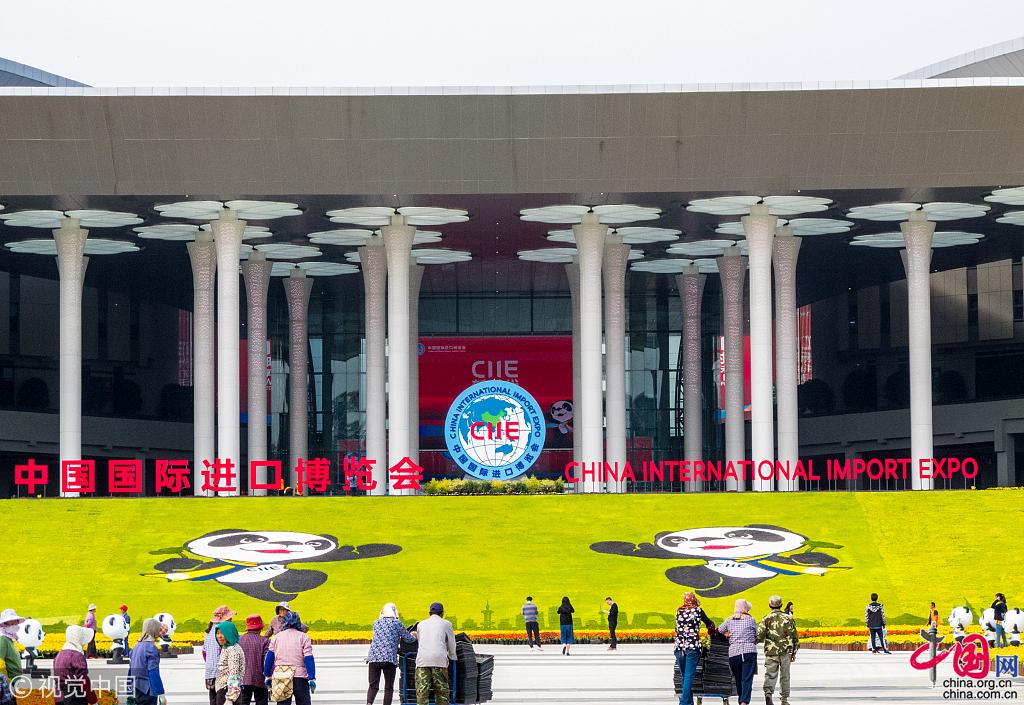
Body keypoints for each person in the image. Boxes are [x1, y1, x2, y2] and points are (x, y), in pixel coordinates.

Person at [366, 603, 416, 705]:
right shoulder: (397, 623)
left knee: (373, 685)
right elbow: (408, 639)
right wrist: (415, 635)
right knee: (388, 687)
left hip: (373, 658)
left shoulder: (376, 623)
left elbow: (382, 640)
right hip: (389, 659)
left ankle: (369, 703)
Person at [264, 611, 315, 705]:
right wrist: (311, 677)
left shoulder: (276, 637)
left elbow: (269, 658)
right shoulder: (304, 637)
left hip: (281, 676)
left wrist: (267, 675)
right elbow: (308, 658)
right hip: (300, 677)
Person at [675, 592, 716, 705]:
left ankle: (688, 703)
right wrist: (712, 632)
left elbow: (676, 629)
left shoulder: (679, 611)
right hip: (692, 648)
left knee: (684, 676)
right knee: (688, 676)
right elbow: (710, 624)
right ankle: (684, 703)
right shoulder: (698, 610)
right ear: (693, 599)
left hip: (679, 648)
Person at [757, 596, 799, 705]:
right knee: (785, 676)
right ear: (781, 605)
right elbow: (795, 636)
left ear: (769, 605)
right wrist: (794, 652)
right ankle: (784, 699)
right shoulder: (788, 618)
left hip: (771, 652)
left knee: (770, 674)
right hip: (786, 651)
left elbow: (759, 636)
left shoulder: (766, 618)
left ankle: (768, 694)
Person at [411, 603, 456, 705]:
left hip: (422, 660)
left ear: (429, 613)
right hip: (439, 660)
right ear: (442, 613)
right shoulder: (446, 624)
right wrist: (452, 656)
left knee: (422, 691)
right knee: (441, 692)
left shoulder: (421, 624)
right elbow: (452, 643)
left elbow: (420, 641)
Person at [719, 598, 758, 705]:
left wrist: (727, 636)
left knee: (738, 678)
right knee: (747, 678)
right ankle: (744, 701)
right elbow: (756, 634)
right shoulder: (751, 620)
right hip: (749, 652)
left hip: (734, 653)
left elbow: (719, 630)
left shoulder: (729, 620)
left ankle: (741, 700)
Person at [128, 618, 167, 705]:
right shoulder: (151, 648)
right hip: (148, 690)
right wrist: (160, 693)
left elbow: (130, 670)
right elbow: (153, 672)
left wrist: (128, 690)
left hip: (136, 688)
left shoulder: (136, 646)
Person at [53, 625, 95, 705]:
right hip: (75, 698)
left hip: (60, 698)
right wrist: (93, 700)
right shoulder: (77, 656)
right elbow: (83, 680)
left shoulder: (59, 655)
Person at [204, 605, 236, 705]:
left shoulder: (208, 632)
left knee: (213, 699)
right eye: (230, 618)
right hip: (222, 673)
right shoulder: (223, 631)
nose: (231, 620)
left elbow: (204, 653)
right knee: (222, 700)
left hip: (210, 672)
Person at [239, 615, 270, 705]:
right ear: (260, 627)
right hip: (260, 679)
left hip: (243, 679)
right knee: (261, 701)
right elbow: (266, 661)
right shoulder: (265, 641)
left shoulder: (239, 639)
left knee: (243, 702)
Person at [214, 622, 245, 705]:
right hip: (224, 689)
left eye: (222, 633)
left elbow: (234, 674)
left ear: (229, 634)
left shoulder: (233, 650)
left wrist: (229, 699)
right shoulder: (226, 647)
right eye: (217, 633)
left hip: (227, 691)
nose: (219, 636)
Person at [0, 609, 25, 681]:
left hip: (15, 680)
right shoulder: (3, 640)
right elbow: (0, 663)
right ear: (4, 624)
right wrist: (7, 681)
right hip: (10, 681)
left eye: (15, 622)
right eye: (11, 623)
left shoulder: (11, 639)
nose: (14, 625)